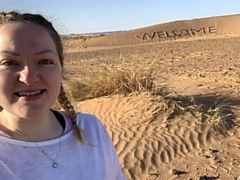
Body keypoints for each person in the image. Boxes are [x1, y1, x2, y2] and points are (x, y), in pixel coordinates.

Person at [0, 11, 126, 180]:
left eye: (45, 61)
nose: (29, 78)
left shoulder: (91, 128)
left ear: (60, 69)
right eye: (9, 63)